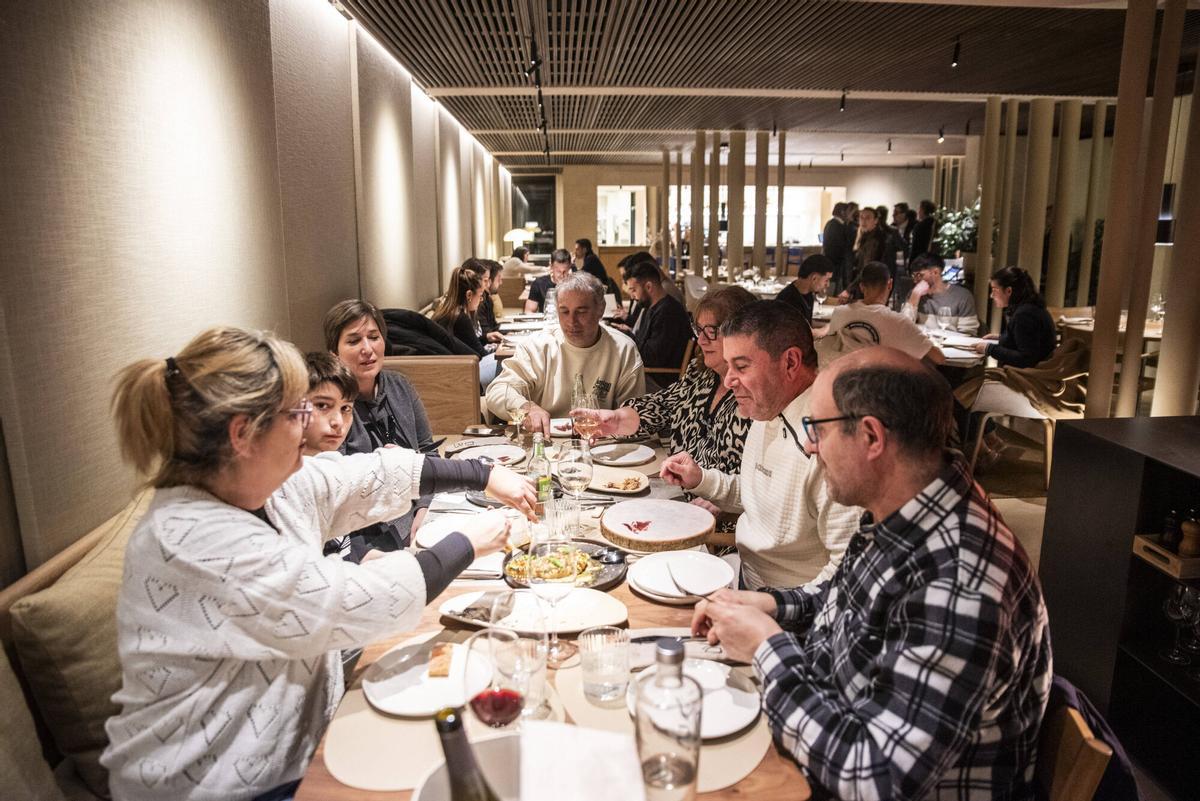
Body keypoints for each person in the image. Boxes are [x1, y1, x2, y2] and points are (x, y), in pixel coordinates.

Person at [101, 326, 536, 801]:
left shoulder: (257, 484)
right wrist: (470, 541)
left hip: (297, 746)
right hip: (220, 782)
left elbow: (364, 474)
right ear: (243, 434)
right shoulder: (192, 538)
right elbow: (353, 602)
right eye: (297, 411)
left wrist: (485, 474)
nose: (310, 422)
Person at [689, 347, 1051, 800]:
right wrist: (772, 605)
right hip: (833, 723)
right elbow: (853, 600)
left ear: (871, 438)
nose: (808, 445)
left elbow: (874, 778)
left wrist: (767, 647)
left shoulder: (959, 582)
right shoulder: (905, 507)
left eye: (816, 428)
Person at [659, 301, 860, 590]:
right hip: (745, 577)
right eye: (728, 366)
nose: (728, 382)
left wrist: (772, 607)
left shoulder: (828, 438)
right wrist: (701, 479)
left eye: (741, 366)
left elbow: (847, 571)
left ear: (790, 362)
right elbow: (763, 496)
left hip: (791, 609)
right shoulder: (768, 403)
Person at [578, 286, 756, 488]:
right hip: (677, 491)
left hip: (721, 509)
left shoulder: (756, 393)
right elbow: (664, 405)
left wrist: (722, 502)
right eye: (698, 329)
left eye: (712, 331)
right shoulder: (700, 373)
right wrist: (616, 420)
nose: (702, 339)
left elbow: (764, 482)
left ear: (742, 334)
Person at [325, 299, 437, 547]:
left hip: (418, 515)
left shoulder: (400, 385)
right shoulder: (333, 407)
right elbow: (341, 491)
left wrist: (425, 507)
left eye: (373, 337)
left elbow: (428, 450)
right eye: (354, 341)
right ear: (334, 353)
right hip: (366, 535)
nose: (367, 349)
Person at [487, 272, 645, 437]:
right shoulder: (537, 346)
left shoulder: (624, 350)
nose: (572, 322)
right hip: (544, 440)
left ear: (601, 310)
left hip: (601, 443)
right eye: (564, 311)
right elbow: (498, 391)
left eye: (581, 311)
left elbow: (633, 413)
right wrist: (527, 408)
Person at [822, 261, 945, 366]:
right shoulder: (897, 322)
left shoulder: (839, 313)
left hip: (838, 384)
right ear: (890, 284)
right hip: (878, 389)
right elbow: (938, 358)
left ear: (861, 287)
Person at [625, 260, 692, 387]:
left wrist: (627, 336)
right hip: (650, 373)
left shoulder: (669, 313)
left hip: (661, 382)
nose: (633, 296)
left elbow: (651, 358)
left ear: (649, 287)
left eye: (634, 290)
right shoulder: (653, 308)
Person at [430, 263, 499, 388]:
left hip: (453, 368)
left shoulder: (447, 312)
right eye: (480, 295)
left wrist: (485, 338)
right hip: (462, 374)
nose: (481, 300)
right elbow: (480, 354)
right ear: (469, 295)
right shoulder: (460, 318)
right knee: (507, 363)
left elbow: (465, 344)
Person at [973, 266, 1056, 368]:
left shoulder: (1025, 315)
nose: (991, 295)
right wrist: (1003, 337)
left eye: (994, 290)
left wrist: (989, 349)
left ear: (1008, 291)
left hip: (1028, 378)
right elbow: (1027, 341)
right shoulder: (1030, 308)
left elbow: (1026, 359)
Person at [902, 253, 981, 335]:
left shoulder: (962, 296)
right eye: (913, 276)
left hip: (951, 345)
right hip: (923, 344)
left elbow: (968, 333)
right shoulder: (915, 294)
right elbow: (903, 328)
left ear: (935, 272)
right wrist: (915, 296)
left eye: (919, 275)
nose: (915, 280)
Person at [775, 253, 834, 325]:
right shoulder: (789, 300)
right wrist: (826, 329)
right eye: (826, 280)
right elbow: (798, 332)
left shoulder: (807, 293)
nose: (828, 285)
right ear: (814, 278)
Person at [525, 248, 573, 313]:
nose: (562, 275)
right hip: (547, 321)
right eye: (558, 271)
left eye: (565, 271)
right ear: (551, 267)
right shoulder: (539, 284)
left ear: (569, 267)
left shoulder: (575, 285)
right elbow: (529, 311)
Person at [821, 202, 851, 290]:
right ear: (842, 212)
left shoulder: (831, 223)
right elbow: (835, 248)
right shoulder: (836, 226)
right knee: (833, 290)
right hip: (835, 265)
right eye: (849, 212)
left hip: (833, 264)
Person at [477, 259, 504, 341]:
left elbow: (493, 327)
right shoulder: (479, 302)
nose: (501, 282)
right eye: (498, 278)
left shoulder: (487, 298)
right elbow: (486, 333)